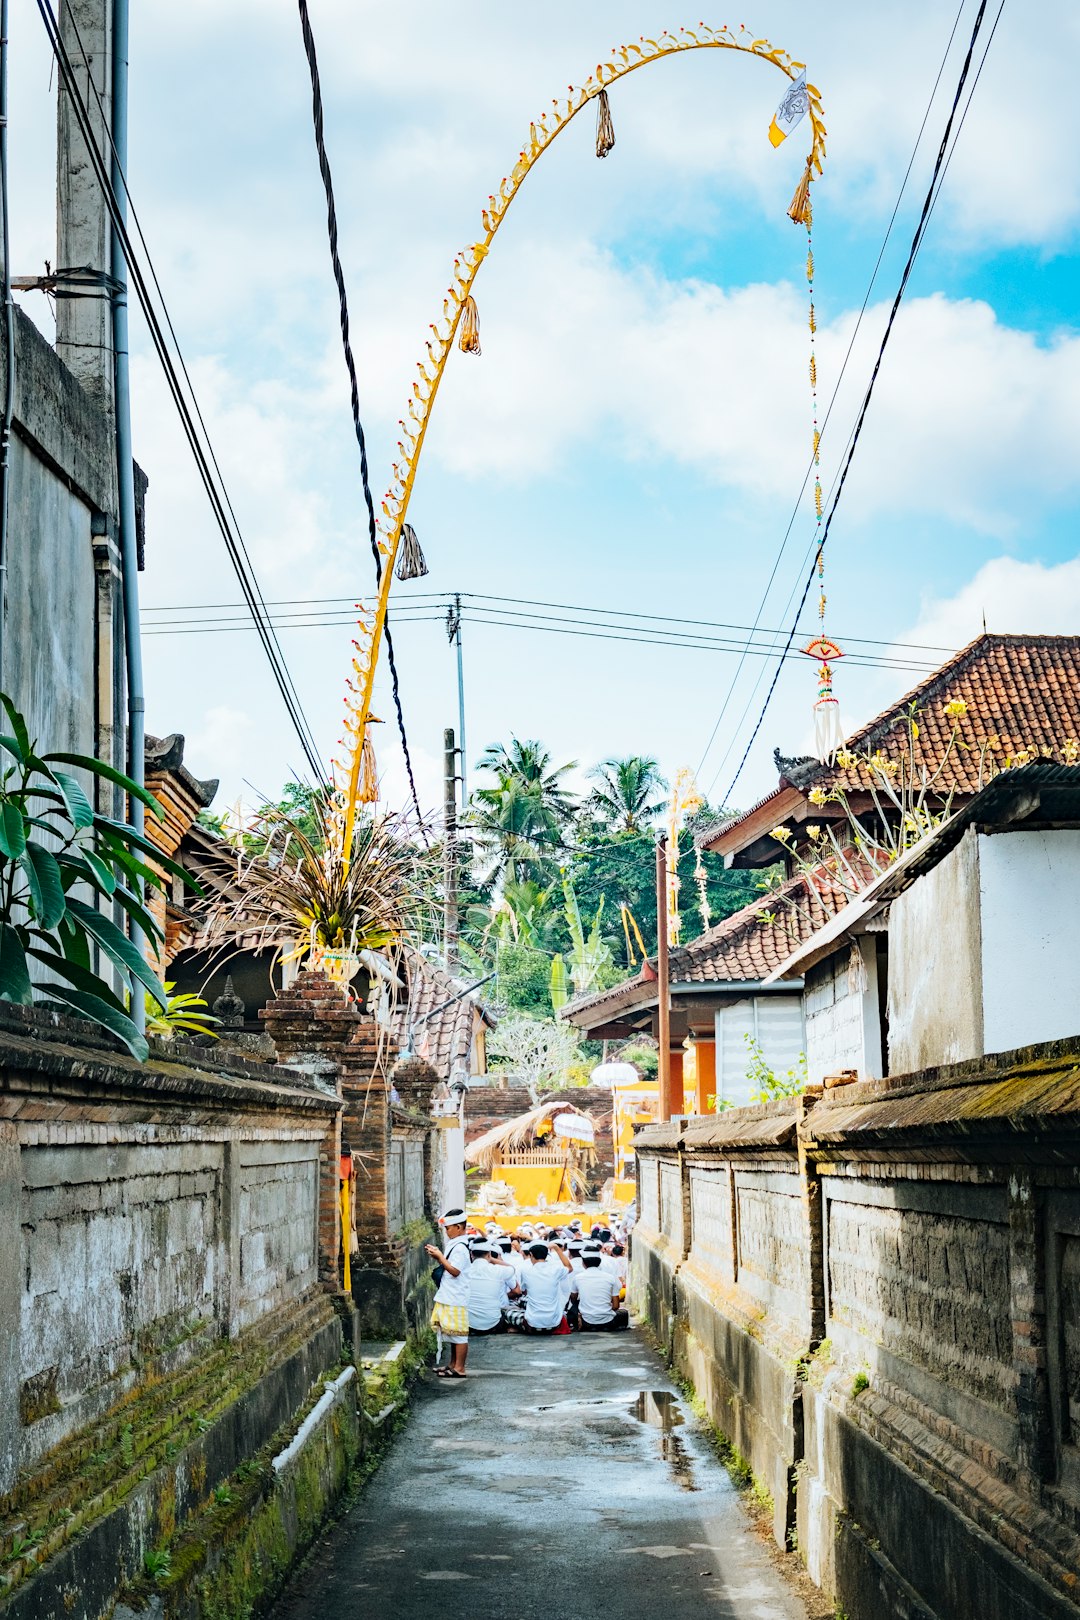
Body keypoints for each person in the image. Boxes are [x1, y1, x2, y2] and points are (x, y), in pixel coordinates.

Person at [425, 1209, 472, 1379]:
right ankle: (453, 1365)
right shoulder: (456, 1243)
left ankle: (459, 1368)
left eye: (449, 1228)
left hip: (456, 1295)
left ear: (459, 1227)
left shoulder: (460, 1247)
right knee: (452, 1332)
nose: (447, 1231)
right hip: (450, 1293)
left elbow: (455, 1270)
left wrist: (439, 1257)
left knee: (459, 1334)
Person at [509, 1241, 574, 1334]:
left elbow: (523, 1291)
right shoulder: (556, 1269)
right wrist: (557, 1248)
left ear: (530, 1254)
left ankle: (519, 1328)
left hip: (532, 1324)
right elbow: (569, 1267)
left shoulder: (526, 1271)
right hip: (554, 1323)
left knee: (508, 1310)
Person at [574, 1250, 629, 1332]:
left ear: (583, 1263)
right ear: (599, 1262)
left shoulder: (578, 1277)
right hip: (608, 1321)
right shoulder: (610, 1278)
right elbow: (616, 1306)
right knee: (624, 1312)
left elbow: (573, 1297)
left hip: (586, 1321)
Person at [468, 1242, 515, 1335]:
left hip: (469, 1324)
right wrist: (492, 1259)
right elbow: (511, 1268)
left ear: (471, 1254)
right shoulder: (497, 1270)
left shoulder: (465, 1270)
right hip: (493, 1324)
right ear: (489, 1254)